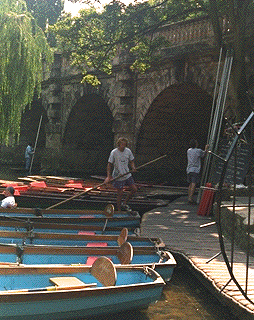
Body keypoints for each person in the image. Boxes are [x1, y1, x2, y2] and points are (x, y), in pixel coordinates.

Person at [105, 137, 137, 211]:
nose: (123, 146)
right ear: (119, 144)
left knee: (134, 189)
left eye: (124, 145)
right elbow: (109, 164)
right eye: (122, 145)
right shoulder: (114, 152)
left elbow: (131, 161)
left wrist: (133, 167)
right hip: (118, 175)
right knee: (120, 194)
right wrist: (109, 176)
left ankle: (125, 203)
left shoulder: (128, 151)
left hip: (127, 174)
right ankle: (119, 209)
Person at [187, 139, 209, 204]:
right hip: (195, 169)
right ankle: (190, 198)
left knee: (190, 184)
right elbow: (203, 155)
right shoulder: (198, 151)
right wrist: (206, 149)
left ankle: (189, 197)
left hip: (189, 169)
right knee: (194, 183)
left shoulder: (188, 150)